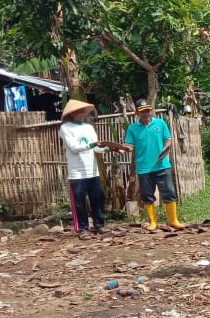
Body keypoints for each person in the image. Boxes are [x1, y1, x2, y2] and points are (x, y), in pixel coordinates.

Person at [59, 99, 129, 237]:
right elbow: (74, 147)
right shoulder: (65, 128)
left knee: (98, 198)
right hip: (76, 173)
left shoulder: (88, 128)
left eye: (83, 111)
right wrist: (93, 145)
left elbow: (96, 148)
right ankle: (82, 229)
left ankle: (99, 225)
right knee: (79, 203)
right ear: (72, 113)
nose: (83, 114)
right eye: (80, 112)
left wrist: (109, 149)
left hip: (92, 171)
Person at [124, 98, 185, 231]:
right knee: (147, 195)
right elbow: (129, 145)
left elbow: (168, 139)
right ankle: (153, 222)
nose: (146, 114)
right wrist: (124, 148)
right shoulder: (132, 128)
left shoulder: (160, 123)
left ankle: (174, 220)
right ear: (137, 113)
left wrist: (165, 148)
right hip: (144, 168)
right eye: (143, 111)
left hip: (162, 165)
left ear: (151, 110)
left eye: (148, 110)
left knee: (169, 192)